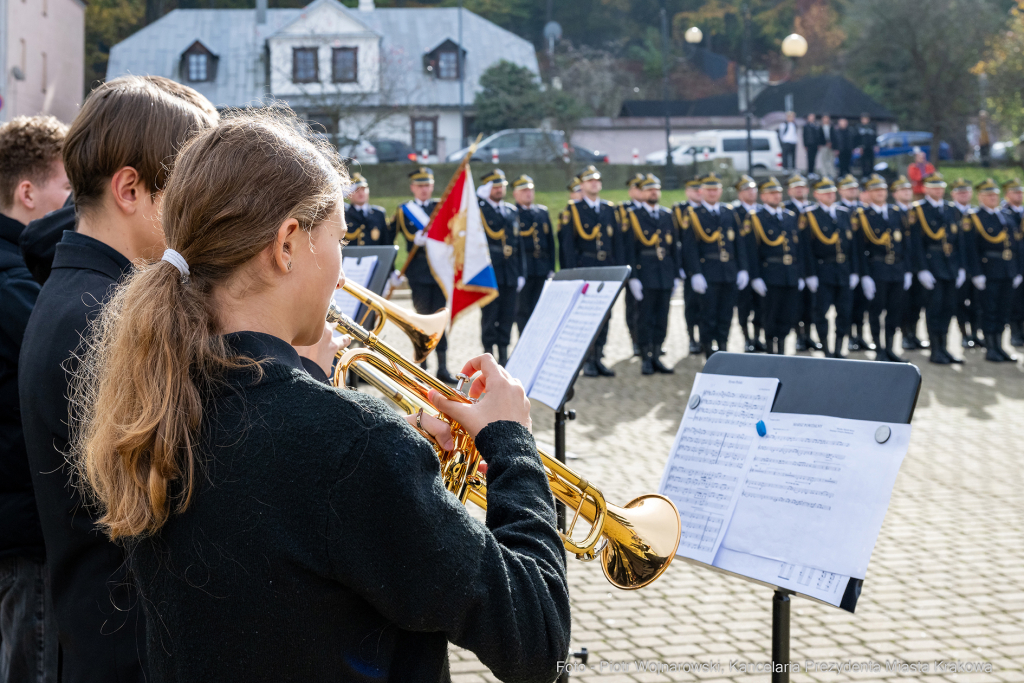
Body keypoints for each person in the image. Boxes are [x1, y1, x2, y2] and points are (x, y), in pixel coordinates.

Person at [67, 111, 571, 683]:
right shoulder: (349, 444)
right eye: (338, 240)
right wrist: (513, 445)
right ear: (287, 244)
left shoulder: (154, 399)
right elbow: (539, 640)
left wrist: (384, 448)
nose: (340, 269)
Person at [18, 75, 218, 683]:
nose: (203, 218)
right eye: (190, 196)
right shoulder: (103, 318)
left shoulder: (88, 292)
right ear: (130, 188)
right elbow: (197, 492)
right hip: (131, 646)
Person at [0, 115, 69, 683]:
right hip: (25, 526)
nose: (78, 205)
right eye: (69, 189)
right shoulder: (14, 280)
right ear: (27, 193)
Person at [392, 167, 455, 383]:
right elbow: (389, 239)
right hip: (418, 274)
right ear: (412, 188)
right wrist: (393, 269)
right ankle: (423, 369)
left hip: (439, 274)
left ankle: (443, 368)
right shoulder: (403, 211)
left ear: (433, 186)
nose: (424, 190)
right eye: (420, 186)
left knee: (440, 318)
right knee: (421, 321)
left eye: (427, 185)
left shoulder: (441, 207)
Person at [679, 173, 748, 359]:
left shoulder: (729, 212)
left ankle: (723, 346)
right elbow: (690, 247)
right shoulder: (693, 215)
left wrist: (743, 268)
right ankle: (708, 348)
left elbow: (738, 243)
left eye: (715, 189)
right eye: (708, 190)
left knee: (726, 313)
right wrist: (695, 273)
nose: (712, 193)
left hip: (729, 271)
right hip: (708, 270)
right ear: (701, 192)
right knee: (708, 314)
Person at [561, 165, 619, 376]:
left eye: (597, 180)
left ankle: (599, 357)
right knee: (585, 317)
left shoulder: (609, 209)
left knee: (605, 316)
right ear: (582, 185)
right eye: (589, 181)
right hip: (586, 269)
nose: (594, 183)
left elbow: (617, 243)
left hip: (607, 270)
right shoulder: (573, 211)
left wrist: (619, 272)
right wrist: (573, 276)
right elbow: (568, 247)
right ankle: (586, 360)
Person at [624, 174, 681, 374]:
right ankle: (645, 357)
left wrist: (676, 274)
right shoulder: (633, 216)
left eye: (656, 189)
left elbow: (673, 247)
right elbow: (629, 249)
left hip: (664, 273)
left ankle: (657, 355)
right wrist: (632, 277)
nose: (653, 192)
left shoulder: (666, 215)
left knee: (662, 317)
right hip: (644, 273)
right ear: (641, 192)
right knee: (645, 318)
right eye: (648, 189)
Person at [854, 174, 914, 362]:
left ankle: (889, 347)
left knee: (895, 310)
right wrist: (864, 275)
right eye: (876, 190)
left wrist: (908, 270)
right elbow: (858, 249)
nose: (880, 194)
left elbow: (906, 244)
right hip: (876, 268)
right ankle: (878, 348)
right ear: (869, 193)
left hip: (897, 268)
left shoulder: (897, 213)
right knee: (876, 310)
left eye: (882, 190)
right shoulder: (862, 215)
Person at [909, 172, 965, 364]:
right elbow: (916, 243)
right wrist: (922, 269)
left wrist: (961, 268)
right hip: (931, 265)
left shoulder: (951, 209)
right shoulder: (918, 210)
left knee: (949, 308)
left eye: (940, 187)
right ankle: (935, 349)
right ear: (925, 189)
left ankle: (945, 347)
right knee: (935, 308)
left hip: (950, 265)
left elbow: (959, 242)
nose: (938, 190)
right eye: (934, 187)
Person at [963, 179, 1021, 362]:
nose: (992, 198)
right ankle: (990, 347)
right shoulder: (974, 217)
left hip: (1008, 270)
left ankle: (999, 345)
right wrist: (977, 273)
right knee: (989, 309)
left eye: (995, 195)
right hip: (988, 270)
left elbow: (1017, 246)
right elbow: (971, 248)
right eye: (988, 195)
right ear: (980, 197)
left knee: (1004, 310)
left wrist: (1018, 270)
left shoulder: (1006, 215)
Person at [746, 178, 804, 354]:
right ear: (763, 196)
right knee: (771, 316)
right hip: (770, 274)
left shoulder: (789, 217)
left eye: (778, 192)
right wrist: (755, 277)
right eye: (771, 193)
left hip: (790, 274)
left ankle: (783, 350)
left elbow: (798, 249)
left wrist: (801, 274)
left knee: (788, 315)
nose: (776, 196)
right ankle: (772, 352)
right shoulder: (756, 218)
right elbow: (752, 251)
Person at [802, 177, 858, 358]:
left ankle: (839, 347)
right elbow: (806, 248)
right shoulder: (810, 215)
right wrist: (810, 274)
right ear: (816, 194)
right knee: (821, 312)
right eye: (825, 192)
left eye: (832, 192)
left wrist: (855, 271)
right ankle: (826, 348)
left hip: (843, 270)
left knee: (845, 311)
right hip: (823, 270)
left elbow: (853, 246)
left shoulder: (844, 213)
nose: (830, 195)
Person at [477, 169, 525, 366]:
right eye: (495, 187)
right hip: (489, 272)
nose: (499, 190)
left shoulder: (511, 211)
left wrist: (521, 272)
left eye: (502, 186)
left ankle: (504, 356)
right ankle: (489, 356)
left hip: (510, 272)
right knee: (490, 316)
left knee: (508, 314)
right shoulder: (479, 210)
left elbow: (519, 244)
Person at [513, 174, 555, 336]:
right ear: (515, 194)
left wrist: (551, 267)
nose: (528, 194)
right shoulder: (514, 214)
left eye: (530, 190)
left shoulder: (541, 212)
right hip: (525, 269)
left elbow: (550, 242)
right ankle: (525, 340)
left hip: (542, 267)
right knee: (523, 309)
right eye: (524, 191)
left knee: (541, 308)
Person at [891, 175, 929, 351]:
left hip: (920, 264)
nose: (907, 193)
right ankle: (905, 334)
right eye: (902, 190)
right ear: (895, 194)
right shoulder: (892, 212)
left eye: (908, 189)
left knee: (917, 302)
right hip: (900, 265)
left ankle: (913, 333)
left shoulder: (917, 211)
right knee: (902, 304)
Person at [785, 174, 820, 351]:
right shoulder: (786, 209)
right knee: (796, 305)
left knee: (812, 304)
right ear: (789, 191)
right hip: (795, 265)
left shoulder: (814, 209)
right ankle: (799, 336)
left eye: (803, 187)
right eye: (795, 187)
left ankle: (809, 335)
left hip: (814, 263)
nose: (800, 190)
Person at [732, 175, 765, 352]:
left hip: (761, 266)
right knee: (744, 306)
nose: (751, 192)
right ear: (739, 193)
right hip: (742, 267)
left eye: (753, 189)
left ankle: (758, 337)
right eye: (746, 190)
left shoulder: (761, 211)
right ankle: (746, 338)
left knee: (761, 305)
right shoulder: (734, 212)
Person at [950, 178, 982, 348]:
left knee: (978, 302)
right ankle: (964, 334)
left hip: (977, 266)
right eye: (959, 191)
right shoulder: (950, 212)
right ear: (953, 194)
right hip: (957, 267)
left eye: (966, 191)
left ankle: (976, 333)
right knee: (960, 302)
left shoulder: (976, 213)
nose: (963, 194)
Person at [619, 173, 648, 356]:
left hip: (648, 266)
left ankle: (648, 341)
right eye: (637, 187)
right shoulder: (623, 210)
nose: (640, 191)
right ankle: (635, 339)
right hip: (633, 264)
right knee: (632, 306)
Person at [680, 179, 704, 354]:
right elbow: (676, 241)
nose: (698, 193)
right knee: (690, 304)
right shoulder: (679, 210)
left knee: (705, 305)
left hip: (707, 266)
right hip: (688, 265)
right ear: (687, 191)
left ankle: (704, 338)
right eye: (694, 190)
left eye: (699, 190)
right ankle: (691, 338)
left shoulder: (705, 211)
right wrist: (680, 266)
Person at [1000, 179, 1024, 346]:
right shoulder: (1004, 213)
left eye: (1020, 192)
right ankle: (1015, 333)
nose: (1019, 195)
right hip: (1013, 263)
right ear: (1007, 195)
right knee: (1015, 301)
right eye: (1015, 192)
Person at [343, 172, 392, 246]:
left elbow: (386, 242)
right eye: (356, 190)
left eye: (363, 189)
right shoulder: (344, 214)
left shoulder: (379, 214)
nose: (361, 193)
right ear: (349, 193)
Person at [856, 114, 878, 178]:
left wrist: (876, 145)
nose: (865, 120)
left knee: (871, 162)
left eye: (866, 119)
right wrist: (859, 147)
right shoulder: (858, 127)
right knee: (863, 163)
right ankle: (864, 176)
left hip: (870, 147)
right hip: (863, 148)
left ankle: (871, 175)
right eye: (863, 119)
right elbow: (857, 138)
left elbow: (874, 137)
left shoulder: (872, 126)